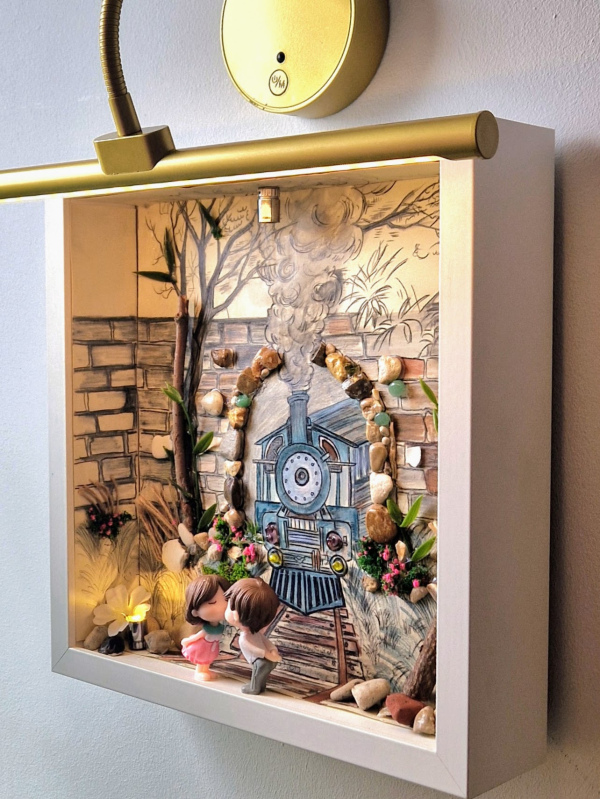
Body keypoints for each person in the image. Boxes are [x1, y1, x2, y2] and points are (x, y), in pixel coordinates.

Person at [224, 578, 281, 695]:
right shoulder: (255, 633)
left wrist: (268, 653)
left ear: (236, 615)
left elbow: (254, 649)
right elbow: (266, 641)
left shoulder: (244, 638)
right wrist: (272, 650)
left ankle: (254, 688)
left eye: (229, 605)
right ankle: (261, 687)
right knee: (262, 675)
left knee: (257, 675)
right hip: (268, 660)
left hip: (260, 661)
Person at [181, 574, 230, 681]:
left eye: (226, 600)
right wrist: (187, 641)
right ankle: (199, 671)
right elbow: (198, 636)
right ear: (195, 611)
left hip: (212, 648)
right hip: (201, 647)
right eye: (213, 602)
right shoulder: (207, 629)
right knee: (201, 659)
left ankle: (206, 670)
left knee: (207, 659)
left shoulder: (220, 627)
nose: (223, 606)